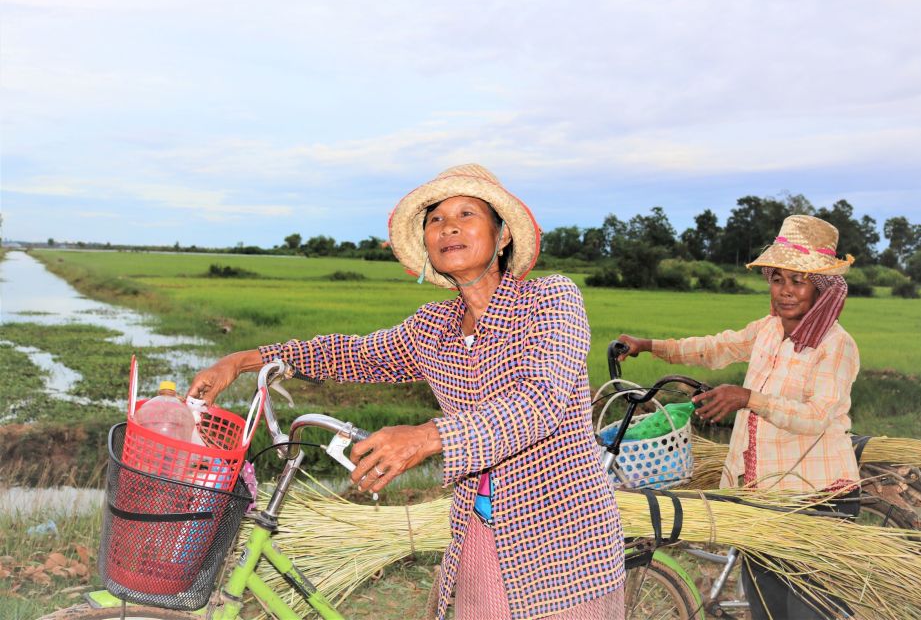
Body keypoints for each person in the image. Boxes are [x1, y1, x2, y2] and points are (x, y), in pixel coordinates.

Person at [188, 164, 625, 620]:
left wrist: (426, 437)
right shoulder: (433, 326)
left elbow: (539, 401)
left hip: (562, 539)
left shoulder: (551, 299)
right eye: (435, 219)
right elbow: (351, 354)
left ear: (502, 236)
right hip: (479, 529)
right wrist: (242, 360)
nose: (448, 226)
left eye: (467, 214)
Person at [618, 215, 860, 619]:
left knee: (808, 610)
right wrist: (648, 345)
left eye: (797, 281)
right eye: (777, 278)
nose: (785, 291)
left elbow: (817, 416)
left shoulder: (836, 346)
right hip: (763, 494)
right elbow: (716, 347)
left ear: (821, 287)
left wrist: (748, 397)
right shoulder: (768, 330)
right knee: (765, 606)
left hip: (813, 498)